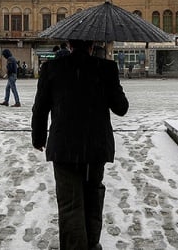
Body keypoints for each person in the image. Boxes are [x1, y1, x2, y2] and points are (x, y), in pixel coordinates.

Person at [31, 39, 129, 250]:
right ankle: (92, 244)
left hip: (64, 147)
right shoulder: (106, 68)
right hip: (95, 147)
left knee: (69, 203)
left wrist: (38, 138)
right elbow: (121, 108)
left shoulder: (51, 68)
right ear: (92, 45)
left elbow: (40, 108)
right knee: (93, 197)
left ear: (69, 44)